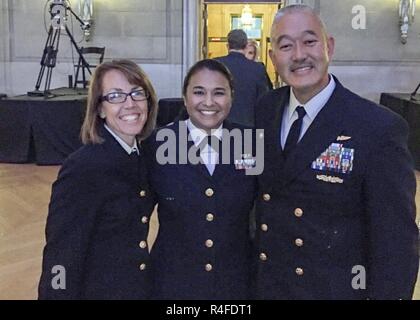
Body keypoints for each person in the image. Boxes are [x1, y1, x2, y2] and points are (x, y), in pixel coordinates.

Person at [254, 4, 419, 299]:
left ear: (329, 46)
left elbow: (396, 243)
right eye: (286, 45)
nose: (299, 55)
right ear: (273, 57)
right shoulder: (265, 110)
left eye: (309, 41)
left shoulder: (377, 128)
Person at [38, 59, 158, 299]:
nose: (130, 104)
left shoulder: (142, 155)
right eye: (115, 96)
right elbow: (61, 253)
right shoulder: (84, 167)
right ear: (100, 108)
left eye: (137, 93)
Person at [144, 59, 257, 299]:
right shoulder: (158, 143)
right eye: (198, 92)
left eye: (219, 93)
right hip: (174, 284)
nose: (208, 102)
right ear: (184, 97)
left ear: (231, 98)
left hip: (235, 284)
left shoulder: (251, 142)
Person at [215, 29, 268, 127]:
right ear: (245, 45)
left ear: (228, 45)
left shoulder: (214, 65)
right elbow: (264, 101)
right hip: (248, 127)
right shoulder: (257, 69)